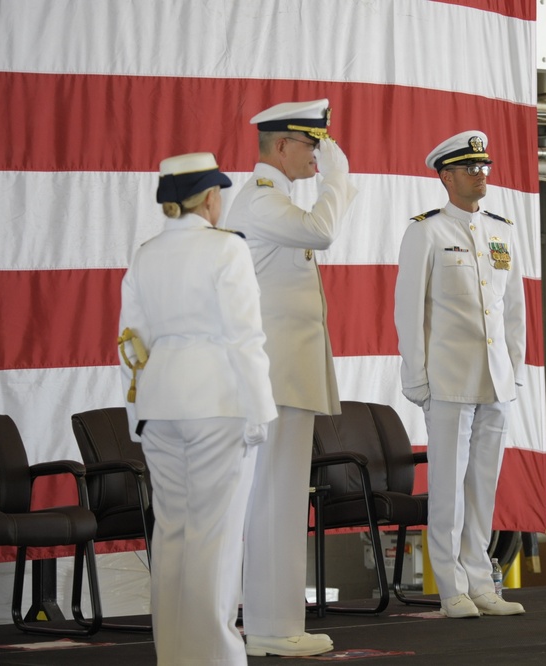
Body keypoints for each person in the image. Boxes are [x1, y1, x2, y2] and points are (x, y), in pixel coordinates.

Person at [118, 152, 277, 666]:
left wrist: (134, 414)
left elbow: (130, 343)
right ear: (210, 198)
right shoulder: (226, 249)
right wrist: (261, 410)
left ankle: (176, 656)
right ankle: (217, 659)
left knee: (173, 537)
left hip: (159, 403)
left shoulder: (146, 254)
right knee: (216, 538)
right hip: (218, 402)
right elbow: (245, 337)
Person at [225, 99, 356, 657]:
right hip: (273, 377)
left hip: (286, 375)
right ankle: (276, 628)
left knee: (279, 498)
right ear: (282, 145)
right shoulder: (260, 200)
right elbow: (320, 232)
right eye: (312, 144)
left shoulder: (270, 200)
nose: (319, 155)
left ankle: (274, 623)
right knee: (275, 500)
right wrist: (339, 182)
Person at [394, 130, 527, 619]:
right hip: (448, 379)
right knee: (448, 488)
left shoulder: (502, 229)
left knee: (483, 486)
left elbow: (513, 309)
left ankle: (481, 581)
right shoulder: (426, 231)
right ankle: (451, 587)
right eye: (470, 168)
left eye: (484, 167)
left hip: (495, 379)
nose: (481, 174)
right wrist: (417, 377)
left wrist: (514, 369)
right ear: (446, 176)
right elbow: (407, 311)